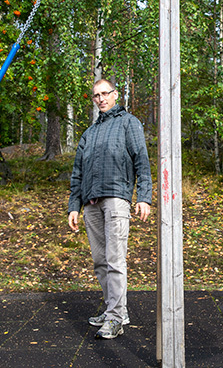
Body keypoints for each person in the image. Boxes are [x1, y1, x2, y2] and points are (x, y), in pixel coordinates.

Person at [68, 79, 153, 340]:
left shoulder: (129, 122)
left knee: (115, 261)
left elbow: (141, 159)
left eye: (105, 93)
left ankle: (116, 318)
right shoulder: (89, 133)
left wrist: (144, 197)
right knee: (100, 261)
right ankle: (114, 310)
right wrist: (74, 205)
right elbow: (77, 173)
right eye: (96, 95)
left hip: (117, 199)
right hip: (91, 203)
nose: (101, 98)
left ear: (116, 95)